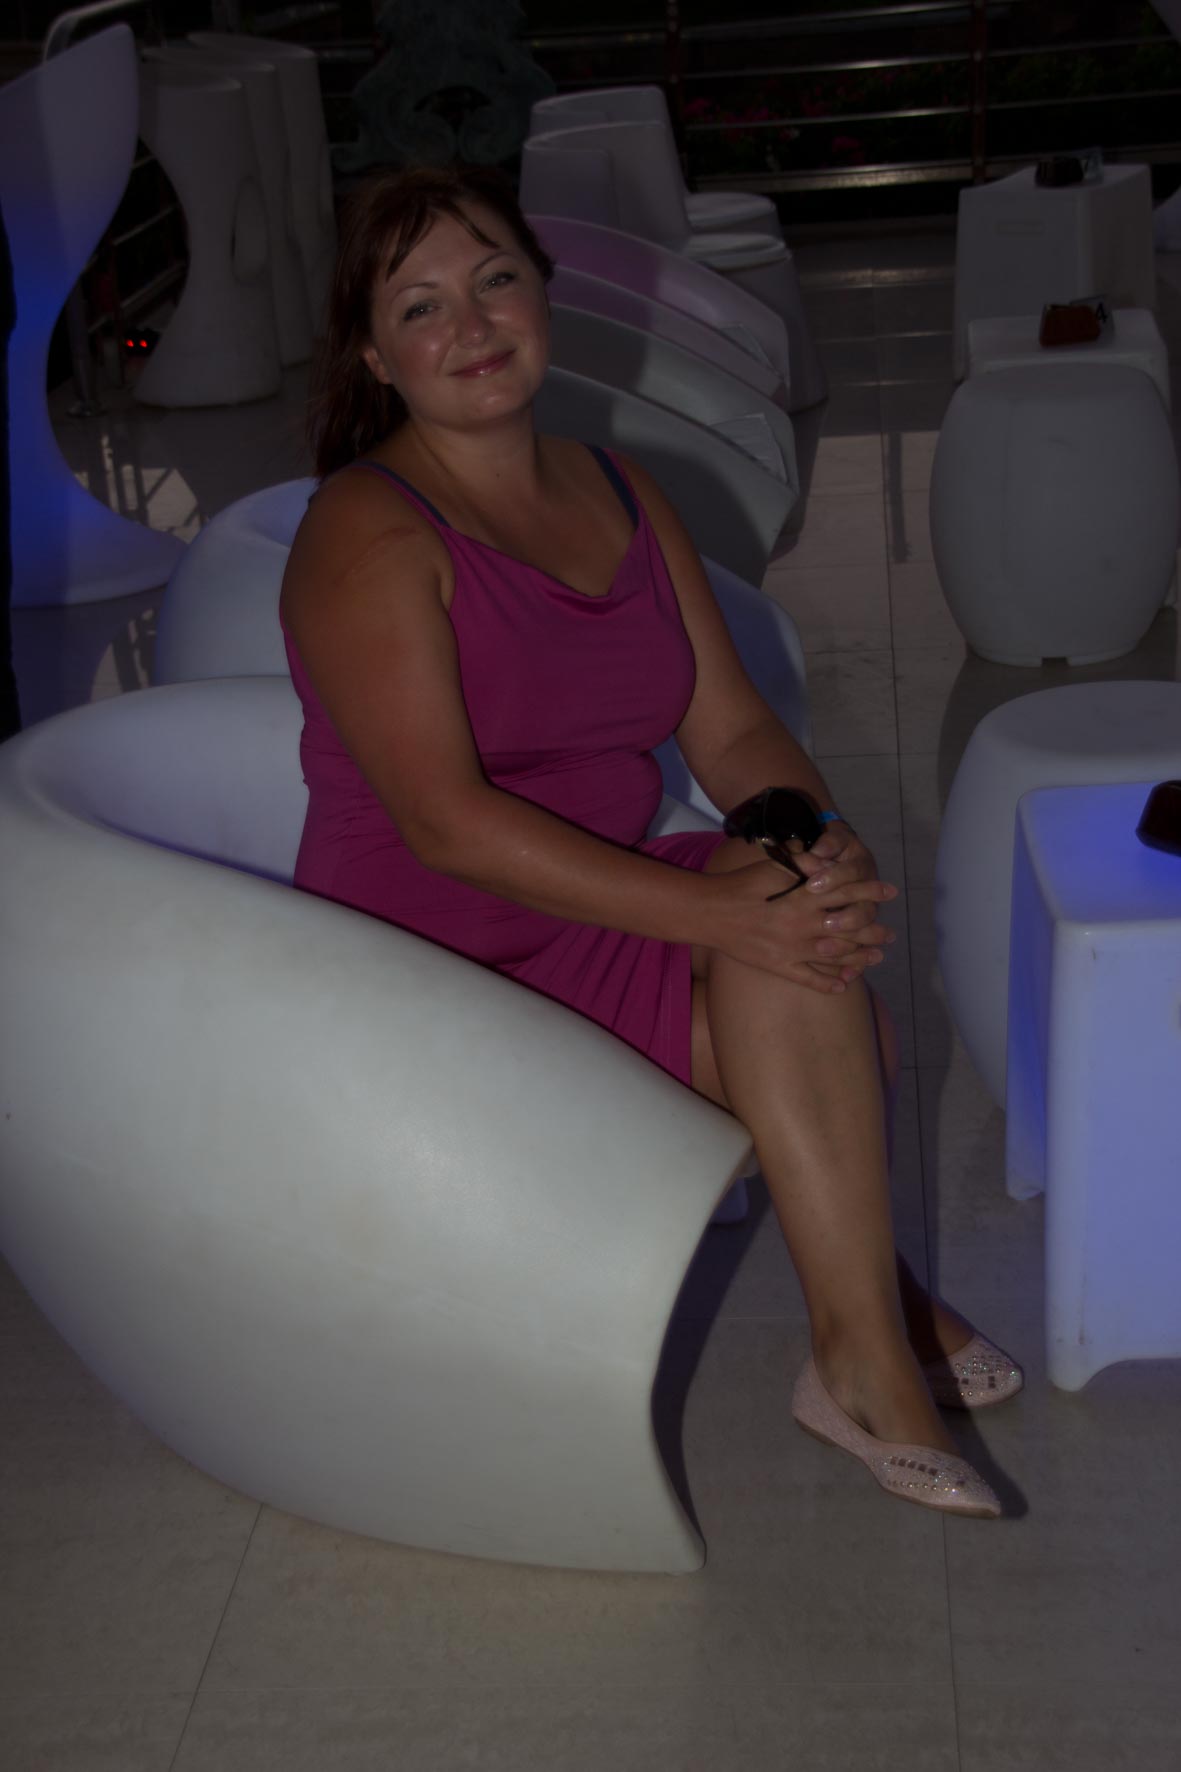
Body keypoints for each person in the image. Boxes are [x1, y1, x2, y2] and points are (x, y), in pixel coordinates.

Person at [280, 165, 1021, 1521]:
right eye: (421, 305)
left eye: (495, 279)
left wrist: (815, 847)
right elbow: (445, 825)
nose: (472, 324)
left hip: (602, 906)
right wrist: (732, 914)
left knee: (796, 913)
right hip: (431, 957)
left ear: (545, 294)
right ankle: (877, 1321)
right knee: (780, 951)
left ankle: (858, 1346)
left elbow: (729, 728)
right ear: (375, 356)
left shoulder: (617, 488)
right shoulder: (365, 529)